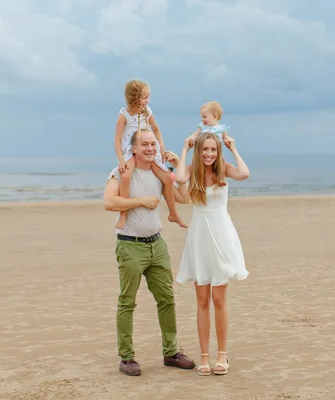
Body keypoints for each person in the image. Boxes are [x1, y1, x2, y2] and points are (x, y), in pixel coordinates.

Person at [104, 128, 195, 376]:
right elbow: (109, 202)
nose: (150, 148)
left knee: (167, 299)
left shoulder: (159, 173)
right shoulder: (121, 172)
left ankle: (171, 353)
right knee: (127, 302)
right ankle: (127, 358)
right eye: (144, 144)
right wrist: (141, 201)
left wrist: (178, 170)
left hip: (157, 245)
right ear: (133, 148)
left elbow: (184, 198)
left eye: (153, 144)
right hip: (129, 245)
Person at [174, 132, 250, 376]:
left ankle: (222, 355)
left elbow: (245, 173)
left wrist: (233, 148)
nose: (208, 154)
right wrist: (185, 149)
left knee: (219, 300)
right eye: (204, 150)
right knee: (202, 300)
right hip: (199, 238)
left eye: (213, 150)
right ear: (199, 151)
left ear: (218, 151)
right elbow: (178, 177)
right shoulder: (192, 169)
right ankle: (204, 356)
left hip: (221, 235)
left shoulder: (224, 169)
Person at [113, 79, 186, 230]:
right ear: (135, 98)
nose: (148, 100)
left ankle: (173, 213)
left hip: (148, 150)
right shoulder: (124, 115)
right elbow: (117, 140)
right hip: (131, 150)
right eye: (145, 97)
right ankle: (123, 213)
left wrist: (161, 148)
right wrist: (121, 160)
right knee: (126, 176)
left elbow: (156, 129)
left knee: (166, 178)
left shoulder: (147, 112)